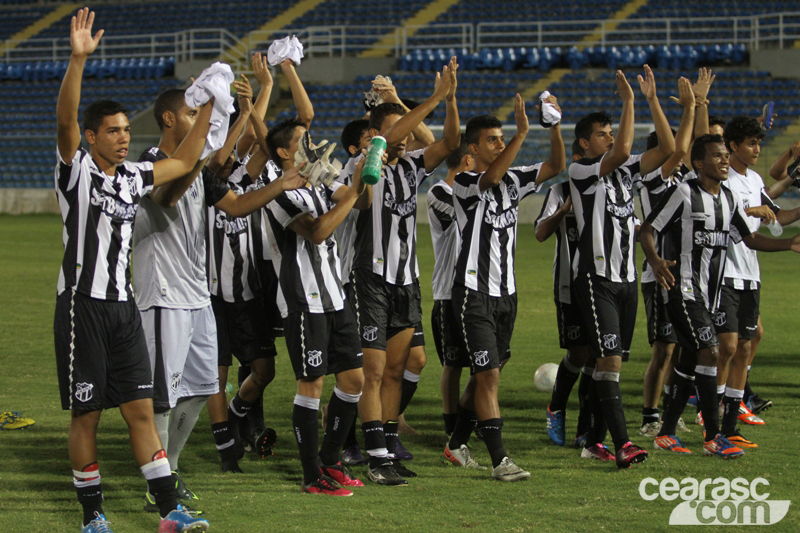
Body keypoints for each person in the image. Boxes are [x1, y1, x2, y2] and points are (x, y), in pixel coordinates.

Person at [54, 8, 210, 531]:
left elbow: (186, 161)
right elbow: (64, 122)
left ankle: (171, 513)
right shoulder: (75, 172)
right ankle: (93, 516)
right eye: (113, 132)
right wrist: (78, 62)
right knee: (87, 415)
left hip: (122, 308)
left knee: (141, 411)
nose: (124, 138)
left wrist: (210, 107)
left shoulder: (133, 176)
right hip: (82, 307)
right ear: (93, 138)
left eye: (126, 130)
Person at [642, 134, 800, 457]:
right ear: (699, 163)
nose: (725, 160)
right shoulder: (683, 193)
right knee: (711, 352)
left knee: (688, 362)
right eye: (717, 156)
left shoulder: (728, 198)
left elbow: (750, 238)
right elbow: (646, 229)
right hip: (681, 288)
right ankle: (713, 436)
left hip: (709, 294)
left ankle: (666, 432)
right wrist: (656, 261)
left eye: (726, 155)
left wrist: (788, 244)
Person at [345, 58, 460, 485]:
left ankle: (387, 447)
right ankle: (373, 456)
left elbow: (450, 140)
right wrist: (430, 97)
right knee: (372, 372)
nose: (407, 139)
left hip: (405, 281)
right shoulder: (360, 168)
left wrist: (449, 99)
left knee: (395, 370)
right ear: (377, 134)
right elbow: (391, 135)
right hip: (370, 279)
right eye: (400, 131)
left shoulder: (411, 168)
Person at [448, 93, 566, 480]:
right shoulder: (464, 182)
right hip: (473, 292)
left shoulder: (515, 178)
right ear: (473, 147)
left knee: (488, 372)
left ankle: (455, 444)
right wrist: (521, 133)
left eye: (502, 138)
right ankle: (501, 460)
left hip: (507, 293)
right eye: (493, 140)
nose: (500, 144)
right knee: (489, 377)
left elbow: (556, 166)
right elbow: (492, 177)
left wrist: (554, 128)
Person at [568, 66, 674, 468]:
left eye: (611, 130)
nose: (610, 136)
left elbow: (668, 149)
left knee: (605, 365)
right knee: (608, 362)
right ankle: (623, 444)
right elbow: (622, 150)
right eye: (602, 132)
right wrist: (628, 101)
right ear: (584, 142)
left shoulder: (625, 174)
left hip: (626, 279)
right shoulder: (581, 171)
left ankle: (591, 441)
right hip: (595, 279)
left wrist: (650, 100)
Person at [266, 143, 372, 495]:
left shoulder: (322, 185)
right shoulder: (279, 196)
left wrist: (362, 171)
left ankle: (330, 459)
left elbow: (363, 201)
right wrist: (353, 189)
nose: (311, 147)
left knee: (354, 380)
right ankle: (312, 476)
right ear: (285, 152)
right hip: (304, 300)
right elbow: (317, 231)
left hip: (335, 296)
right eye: (302, 141)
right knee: (311, 386)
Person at [713, 117, 800, 447]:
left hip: (750, 274)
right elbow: (738, 219)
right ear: (733, 146)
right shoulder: (724, 179)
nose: (757, 149)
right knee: (728, 348)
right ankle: (710, 416)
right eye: (751, 143)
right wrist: (757, 210)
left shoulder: (754, 178)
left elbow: (777, 214)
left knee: (745, 348)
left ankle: (731, 423)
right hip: (725, 272)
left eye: (759, 143)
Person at [636, 77, 696, 438]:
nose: (677, 155)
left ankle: (671, 410)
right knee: (664, 350)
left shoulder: (682, 179)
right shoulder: (650, 180)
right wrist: (682, 107)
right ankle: (649, 417)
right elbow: (677, 151)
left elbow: (684, 151)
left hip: (682, 272)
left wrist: (694, 110)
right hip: (657, 271)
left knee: (681, 347)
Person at [535, 139, 594, 452]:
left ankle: (586, 429)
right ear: (576, 158)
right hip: (569, 285)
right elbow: (541, 233)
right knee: (579, 354)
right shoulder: (559, 191)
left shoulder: (606, 187)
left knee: (599, 356)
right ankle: (556, 408)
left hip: (603, 284)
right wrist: (563, 212)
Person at [428, 135, 482, 468]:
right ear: (466, 162)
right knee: (453, 364)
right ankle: (452, 425)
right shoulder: (439, 193)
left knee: (484, 363)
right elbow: (469, 218)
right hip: (448, 291)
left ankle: (465, 422)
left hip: (475, 290)